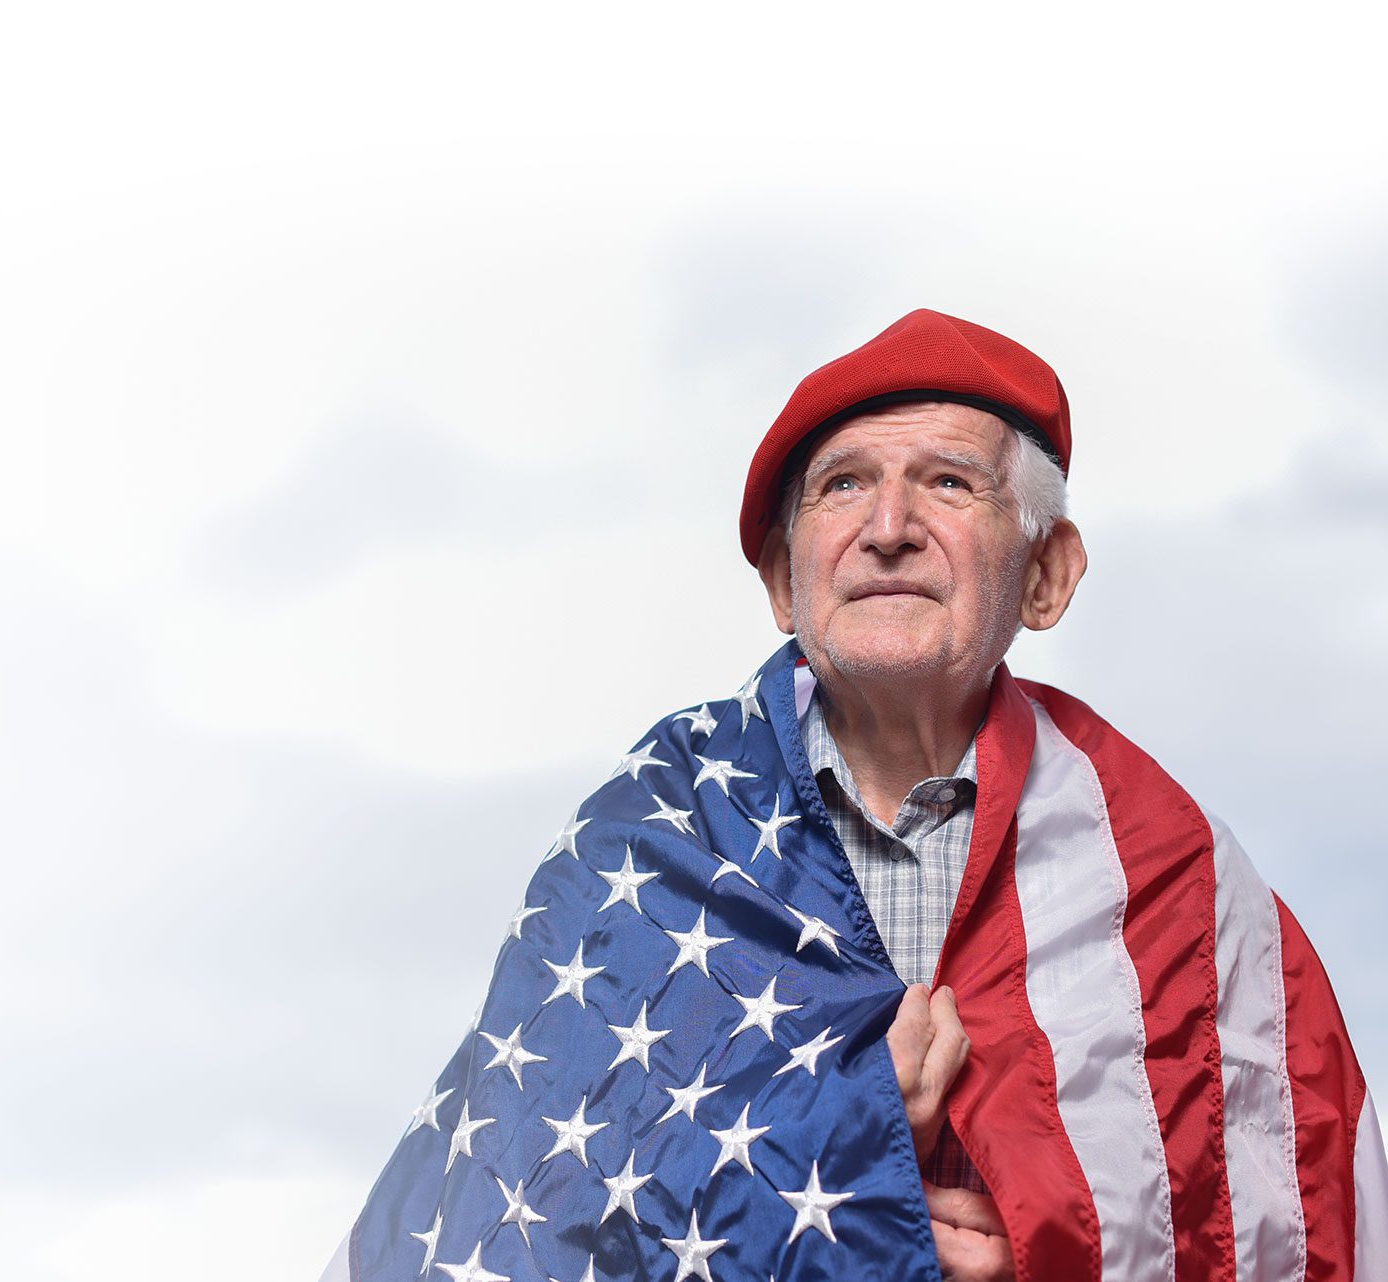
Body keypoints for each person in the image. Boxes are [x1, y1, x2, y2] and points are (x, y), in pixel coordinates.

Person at [326, 310, 1386, 1282]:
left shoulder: (1176, 881)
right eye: (842, 485)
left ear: (1046, 575)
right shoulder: (643, 849)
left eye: (949, 483)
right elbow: (522, 1216)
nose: (888, 525)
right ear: (785, 581)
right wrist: (837, 1165)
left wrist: (1045, 1247)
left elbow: (1260, 1215)